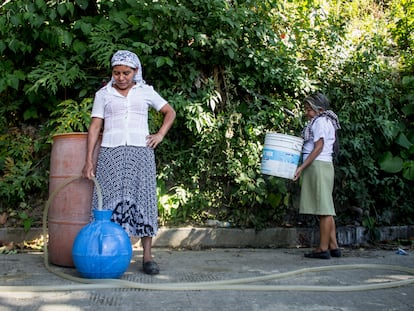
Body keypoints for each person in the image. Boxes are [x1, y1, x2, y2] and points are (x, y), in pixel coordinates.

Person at [82, 50, 176, 274]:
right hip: (110, 154)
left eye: (126, 73)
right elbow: (95, 127)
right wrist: (88, 160)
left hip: (140, 154)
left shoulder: (145, 92)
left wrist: (160, 134)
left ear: (135, 71)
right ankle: (109, 254)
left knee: (143, 201)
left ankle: (147, 257)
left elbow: (169, 111)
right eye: (117, 73)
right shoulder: (103, 94)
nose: (121, 77)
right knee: (106, 204)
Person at [293, 93, 341, 259]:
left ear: (319, 109)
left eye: (309, 110)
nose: (307, 113)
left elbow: (318, 147)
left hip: (317, 166)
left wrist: (301, 167)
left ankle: (322, 249)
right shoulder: (325, 121)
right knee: (325, 207)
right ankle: (333, 246)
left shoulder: (319, 122)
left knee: (324, 210)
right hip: (323, 165)